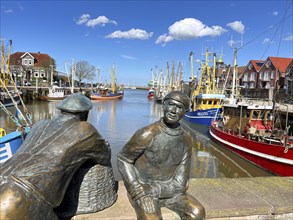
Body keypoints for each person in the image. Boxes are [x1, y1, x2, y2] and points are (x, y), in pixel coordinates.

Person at [0, 93, 112, 220]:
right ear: (85, 114)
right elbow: (105, 156)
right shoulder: (85, 130)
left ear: (60, 110)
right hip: (22, 195)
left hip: (3, 173)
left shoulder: (40, 124)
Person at [117, 91, 206, 220]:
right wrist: (135, 188)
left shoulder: (186, 139)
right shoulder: (148, 133)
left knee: (197, 212)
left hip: (170, 191)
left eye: (179, 107)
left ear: (185, 112)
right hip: (143, 190)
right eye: (171, 104)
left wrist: (155, 189)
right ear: (163, 105)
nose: (173, 110)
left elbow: (181, 183)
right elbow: (123, 159)